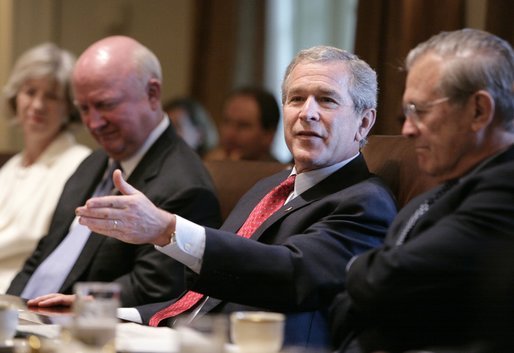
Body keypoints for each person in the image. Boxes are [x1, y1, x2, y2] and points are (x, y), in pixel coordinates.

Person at [69, 46, 397, 349]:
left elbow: (291, 275)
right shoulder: (267, 186)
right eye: (296, 99)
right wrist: (113, 313)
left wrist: (169, 229)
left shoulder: (365, 201)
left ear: (364, 122)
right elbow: (204, 299)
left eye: (326, 100)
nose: (306, 113)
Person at [330, 28, 514, 353]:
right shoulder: (435, 194)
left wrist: (357, 268)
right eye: (406, 113)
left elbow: (384, 280)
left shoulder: (505, 187)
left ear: (478, 111)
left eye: (420, 111)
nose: (407, 129)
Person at [6, 36, 222, 307]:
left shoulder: (186, 185)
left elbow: (154, 288)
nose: (93, 123)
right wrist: (9, 307)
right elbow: (42, 254)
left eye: (106, 105)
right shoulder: (93, 163)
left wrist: (79, 305)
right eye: (84, 109)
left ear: (152, 94)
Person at [0, 43, 91, 293]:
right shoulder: (10, 168)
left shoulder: (80, 165)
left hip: (23, 294)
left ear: (69, 107)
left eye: (51, 96)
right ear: (15, 97)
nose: (38, 105)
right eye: (30, 92)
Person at [204, 86, 280, 161]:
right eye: (226, 122)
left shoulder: (283, 172)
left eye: (243, 126)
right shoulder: (208, 164)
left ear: (268, 135)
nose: (230, 134)